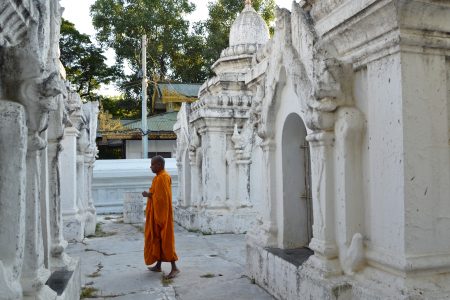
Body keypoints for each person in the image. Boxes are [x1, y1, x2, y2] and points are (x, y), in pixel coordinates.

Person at [142, 156, 179, 279]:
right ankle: (158, 265)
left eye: (152, 164)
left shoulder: (163, 177)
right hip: (156, 214)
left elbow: (162, 199)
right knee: (157, 239)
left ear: (159, 165)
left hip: (162, 216)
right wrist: (150, 195)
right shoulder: (158, 177)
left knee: (166, 240)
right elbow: (157, 194)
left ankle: (174, 268)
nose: (150, 167)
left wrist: (148, 195)